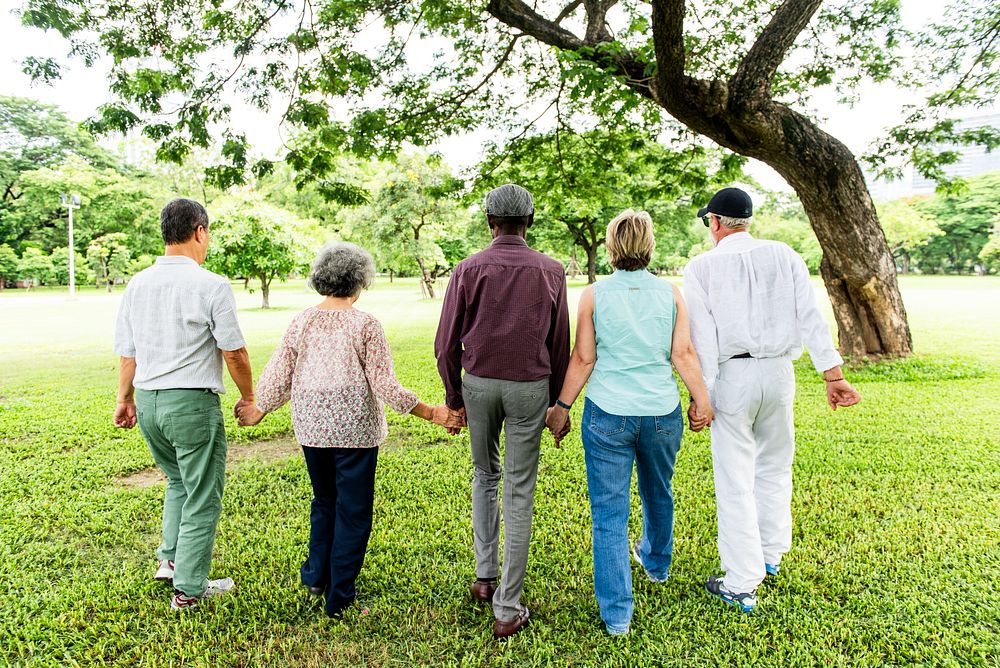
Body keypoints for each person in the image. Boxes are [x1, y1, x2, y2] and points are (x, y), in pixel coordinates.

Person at [235, 242, 462, 618]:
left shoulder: (302, 320)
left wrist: (261, 408)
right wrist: (432, 413)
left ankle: (315, 576)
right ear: (359, 282)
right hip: (355, 428)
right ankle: (340, 595)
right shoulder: (365, 324)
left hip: (312, 427)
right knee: (354, 511)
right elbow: (384, 384)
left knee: (324, 500)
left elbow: (279, 372)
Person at [684, 187, 862, 613]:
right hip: (780, 374)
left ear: (714, 223)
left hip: (732, 376)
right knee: (775, 466)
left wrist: (701, 395)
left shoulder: (701, 268)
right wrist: (832, 375)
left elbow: (703, 339)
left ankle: (742, 580)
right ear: (747, 220)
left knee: (735, 478)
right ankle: (770, 553)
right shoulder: (784, 255)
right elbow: (810, 318)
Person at [544, 209, 714, 635]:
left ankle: (617, 615)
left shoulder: (594, 295)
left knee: (609, 513)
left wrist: (562, 406)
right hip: (660, 412)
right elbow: (683, 354)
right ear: (650, 245)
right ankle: (656, 565)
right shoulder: (671, 294)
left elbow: (584, 357)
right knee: (659, 491)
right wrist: (702, 400)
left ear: (611, 247)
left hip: (608, 415)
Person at [434, 183, 571, 639]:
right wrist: (556, 402)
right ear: (529, 221)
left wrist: (455, 399)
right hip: (530, 388)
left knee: (484, 476)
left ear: (490, 221)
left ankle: (485, 577)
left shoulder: (467, 269)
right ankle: (507, 606)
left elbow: (444, 345)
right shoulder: (552, 271)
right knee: (518, 488)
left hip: (479, 384)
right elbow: (559, 344)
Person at [113, 198, 255, 610]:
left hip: (150, 402)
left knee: (178, 481)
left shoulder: (137, 284)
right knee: (203, 495)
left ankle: (171, 560)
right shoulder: (211, 285)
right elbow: (234, 352)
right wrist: (248, 396)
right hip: (190, 403)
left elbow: (128, 353)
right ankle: (189, 590)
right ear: (200, 232)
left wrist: (124, 399)